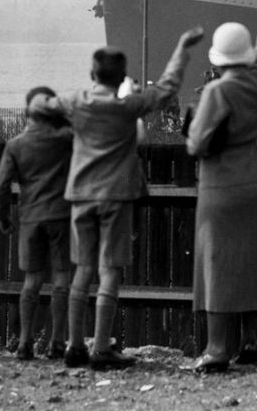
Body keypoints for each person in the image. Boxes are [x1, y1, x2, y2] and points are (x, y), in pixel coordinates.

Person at [46, 27, 204, 371]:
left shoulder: (77, 102)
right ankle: (101, 347)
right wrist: (180, 45)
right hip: (116, 195)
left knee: (82, 270)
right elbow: (167, 88)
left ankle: (74, 345)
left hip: (81, 195)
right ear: (121, 78)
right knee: (109, 271)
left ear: (92, 74)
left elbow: (42, 106)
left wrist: (69, 131)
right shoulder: (129, 106)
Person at [185, 0, 257, 373]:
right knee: (252, 259)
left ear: (215, 59)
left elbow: (196, 144)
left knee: (218, 262)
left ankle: (216, 348)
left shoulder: (215, 92)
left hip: (219, 183)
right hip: (255, 178)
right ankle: (252, 340)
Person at [0, 86, 75, 361]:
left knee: (32, 280)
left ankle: (25, 342)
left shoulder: (15, 145)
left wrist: (3, 217)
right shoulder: (66, 139)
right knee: (62, 277)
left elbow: (1, 186)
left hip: (29, 218)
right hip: (61, 215)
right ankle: (57, 342)